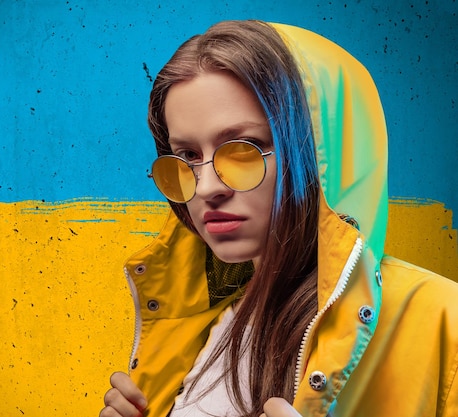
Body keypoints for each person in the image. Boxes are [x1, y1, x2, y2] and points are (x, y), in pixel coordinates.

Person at [100, 20, 458, 417]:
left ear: (322, 152)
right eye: (186, 156)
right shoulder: (198, 329)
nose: (204, 188)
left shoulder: (443, 319)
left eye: (244, 148)